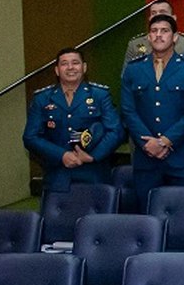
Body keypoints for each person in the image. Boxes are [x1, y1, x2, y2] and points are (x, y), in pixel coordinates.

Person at [121, 14, 184, 212]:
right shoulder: (134, 70)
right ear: (148, 37)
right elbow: (128, 110)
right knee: (148, 216)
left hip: (182, 158)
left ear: (175, 37)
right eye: (154, 31)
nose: (158, 35)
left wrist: (166, 140)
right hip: (146, 158)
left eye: (164, 31)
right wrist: (147, 144)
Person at [23, 48, 122, 193]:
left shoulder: (100, 95)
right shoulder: (42, 98)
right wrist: (61, 155)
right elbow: (30, 137)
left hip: (94, 174)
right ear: (57, 70)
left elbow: (116, 131)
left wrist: (92, 157)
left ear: (84, 67)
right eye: (64, 64)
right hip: (57, 175)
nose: (70, 67)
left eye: (75, 63)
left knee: (97, 215)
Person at [124, 0, 184, 64]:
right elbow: (126, 76)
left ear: (173, 18)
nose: (157, 16)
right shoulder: (135, 44)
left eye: (163, 12)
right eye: (153, 13)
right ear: (149, 18)